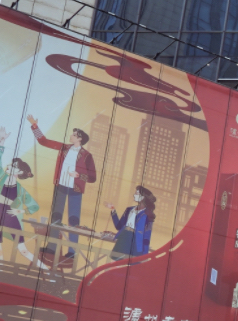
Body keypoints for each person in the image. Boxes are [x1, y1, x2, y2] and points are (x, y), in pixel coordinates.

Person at [28, 115, 97, 271]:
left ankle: (72, 252)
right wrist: (34, 126)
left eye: (74, 134)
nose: (71, 136)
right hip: (60, 186)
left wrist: (78, 175)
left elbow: (92, 178)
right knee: (56, 217)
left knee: (74, 221)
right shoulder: (64, 148)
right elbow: (44, 141)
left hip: (75, 189)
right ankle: (52, 248)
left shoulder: (87, 155)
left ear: (79, 139)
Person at [0, 158, 40, 265]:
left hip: (9, 217)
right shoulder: (2, 177)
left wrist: (20, 211)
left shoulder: (20, 189)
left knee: (23, 250)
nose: (9, 166)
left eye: (14, 166)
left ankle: (47, 271)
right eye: (11, 164)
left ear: (20, 172)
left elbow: (35, 206)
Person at [109, 186, 157, 258]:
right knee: (116, 261)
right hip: (123, 239)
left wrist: (145, 254)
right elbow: (119, 226)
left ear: (143, 197)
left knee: (130, 263)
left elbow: (147, 236)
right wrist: (113, 210)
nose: (134, 195)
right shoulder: (129, 209)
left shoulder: (148, 214)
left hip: (135, 243)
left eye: (136, 194)